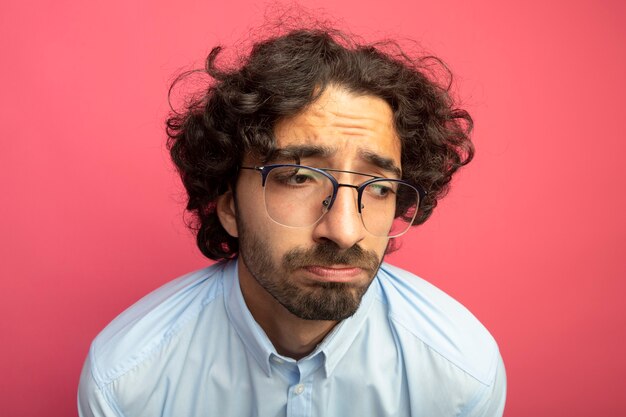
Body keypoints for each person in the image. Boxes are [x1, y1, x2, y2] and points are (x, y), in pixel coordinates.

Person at [78, 27, 506, 417]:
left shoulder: (460, 375)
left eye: (378, 187)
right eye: (299, 178)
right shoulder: (128, 382)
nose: (344, 231)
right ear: (227, 205)